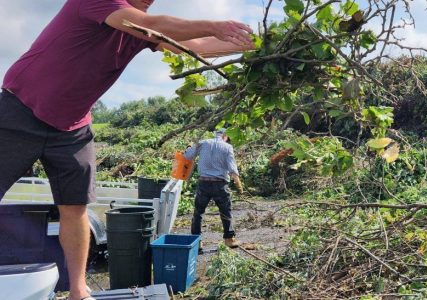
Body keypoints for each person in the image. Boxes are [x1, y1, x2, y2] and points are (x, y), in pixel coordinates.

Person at [0, 1, 254, 299]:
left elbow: (192, 46)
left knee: (75, 206)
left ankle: (79, 290)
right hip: (21, 109)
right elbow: (151, 23)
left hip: (73, 126)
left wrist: (249, 45)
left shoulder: (143, 28)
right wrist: (215, 24)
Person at [184, 128, 244, 250]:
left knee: (198, 213)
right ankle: (229, 239)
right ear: (225, 136)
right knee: (225, 211)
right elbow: (232, 168)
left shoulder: (203, 142)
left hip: (203, 183)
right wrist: (238, 184)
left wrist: (189, 146)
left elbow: (187, 156)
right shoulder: (227, 147)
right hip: (220, 185)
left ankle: (197, 242)